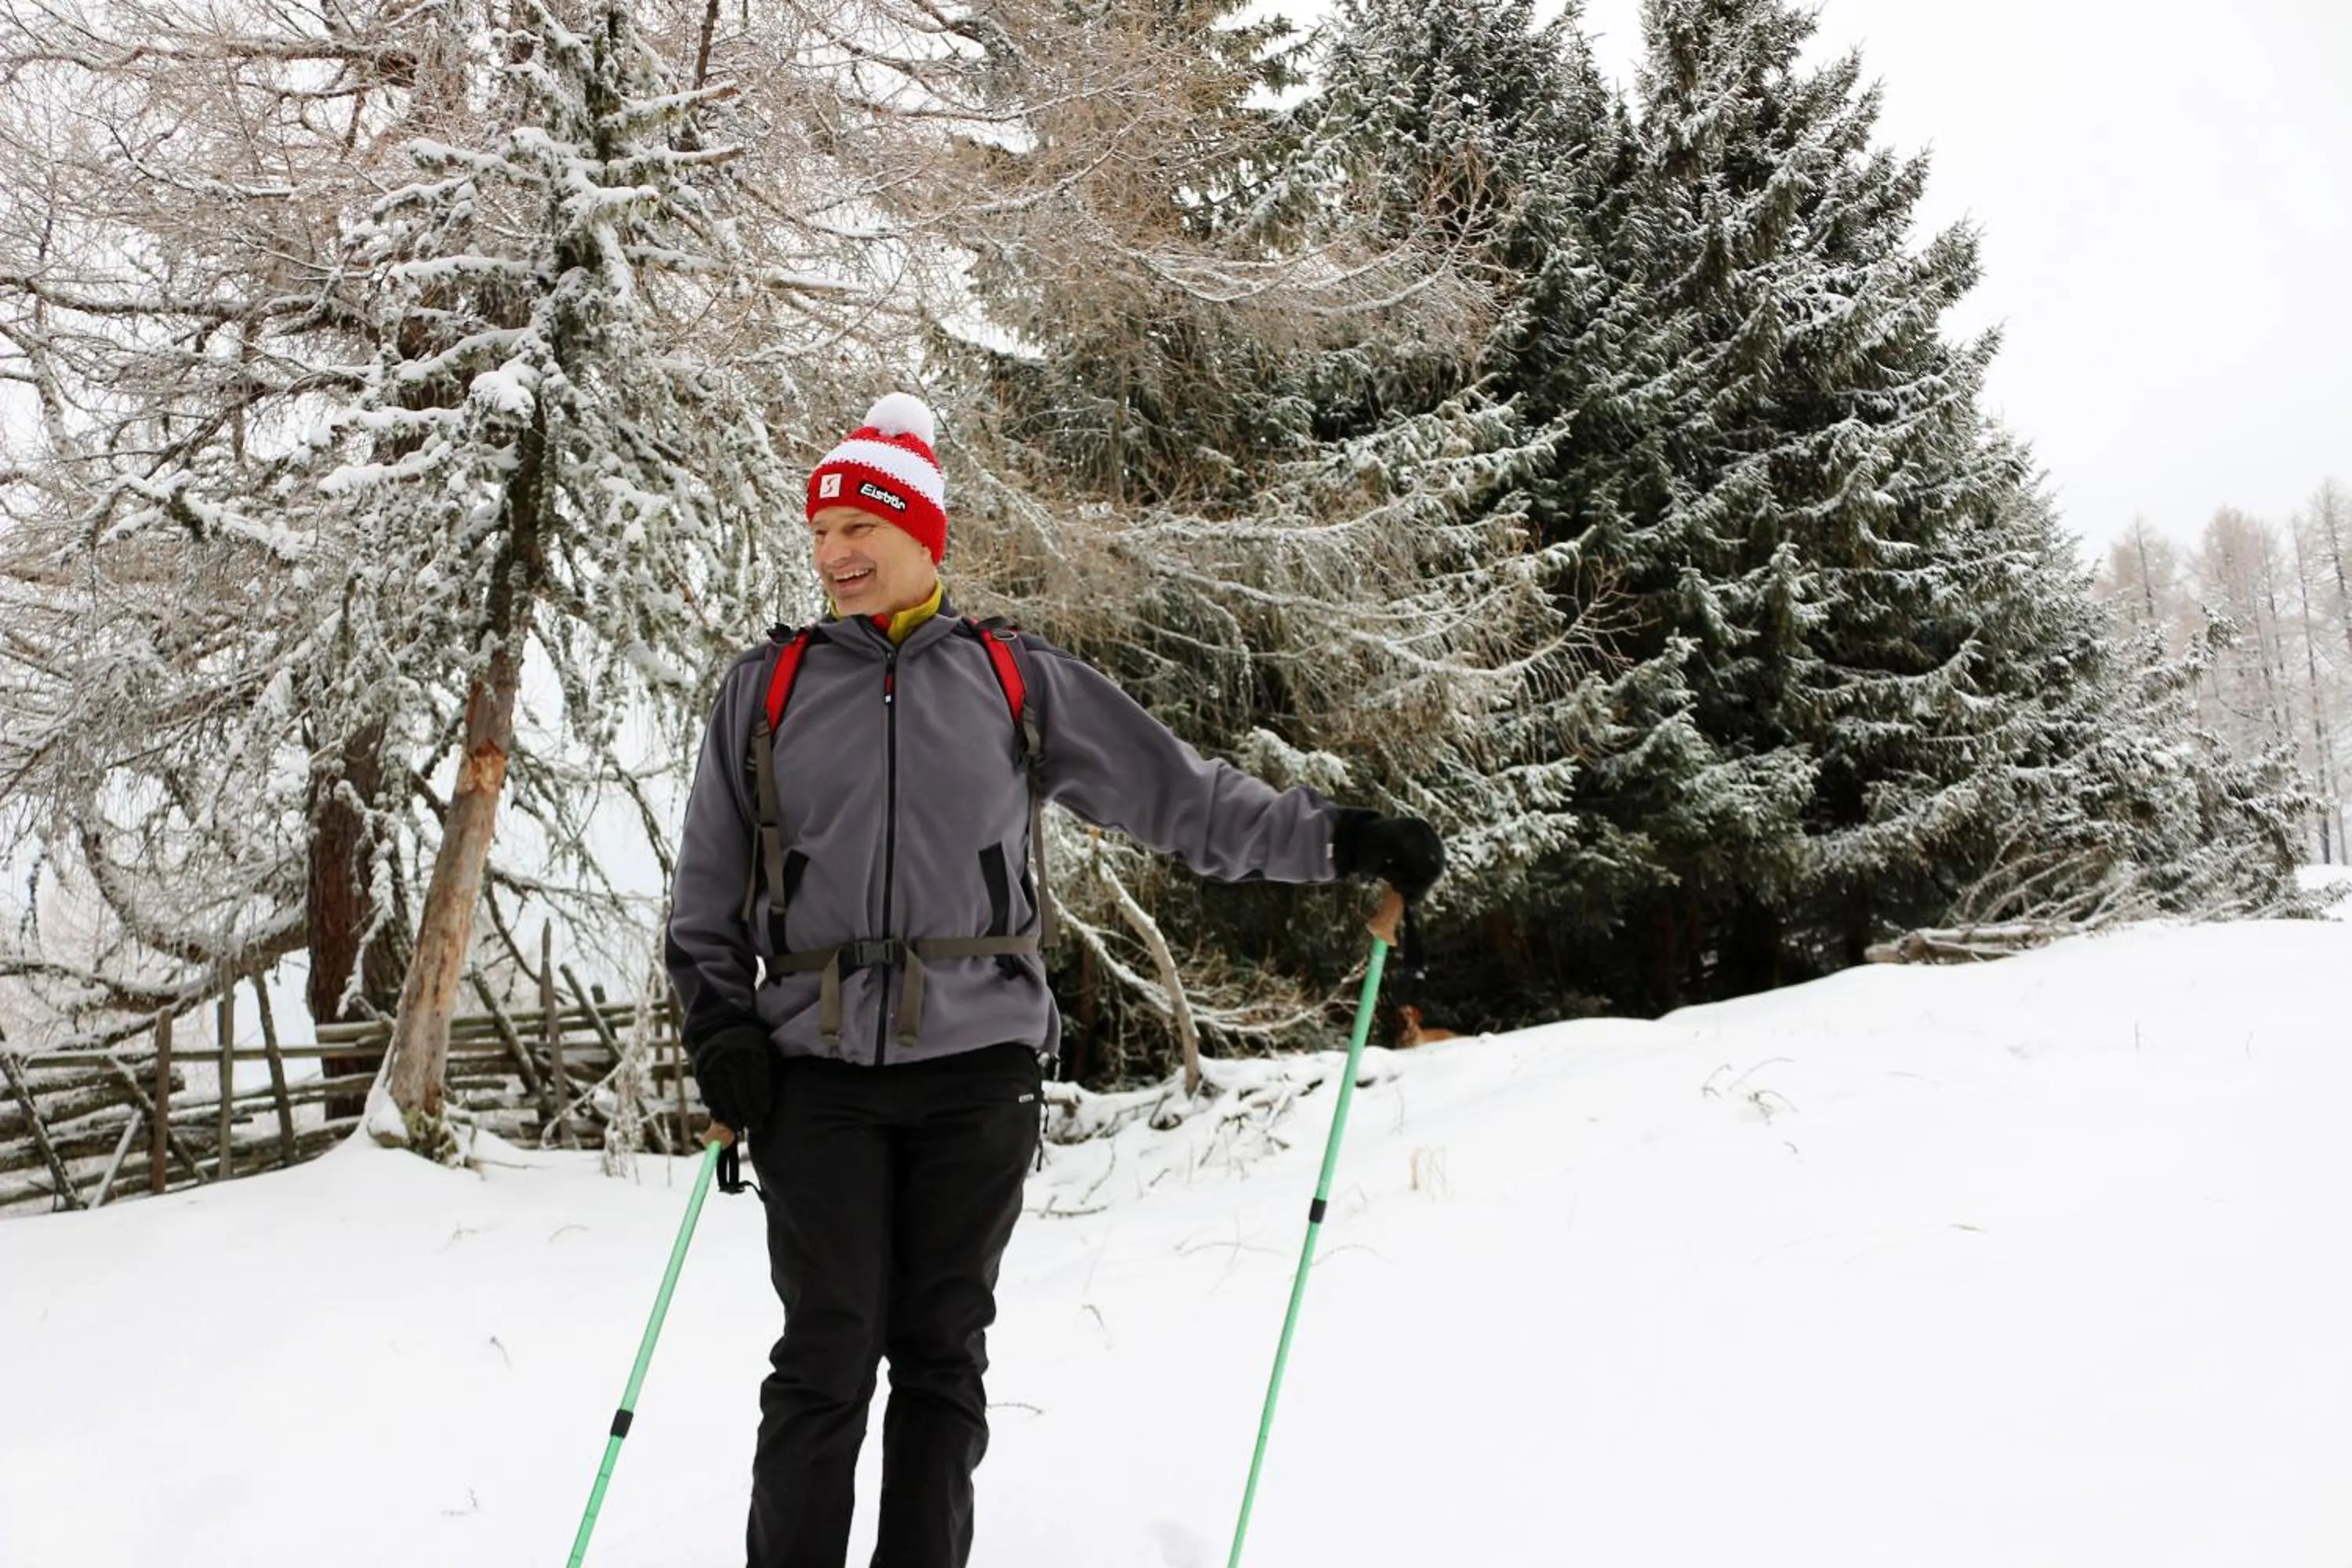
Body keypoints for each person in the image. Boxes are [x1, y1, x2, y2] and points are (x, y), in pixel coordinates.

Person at [664, 391, 1445, 1568]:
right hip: (813, 1077)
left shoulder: (1010, 679)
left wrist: (1337, 840)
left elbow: (1179, 799)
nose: (835, 552)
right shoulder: (764, 692)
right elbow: (706, 893)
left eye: (861, 526)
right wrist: (721, 1026)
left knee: (940, 1355)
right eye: (820, 530)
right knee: (825, 1354)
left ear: (923, 532)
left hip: (975, 1071)